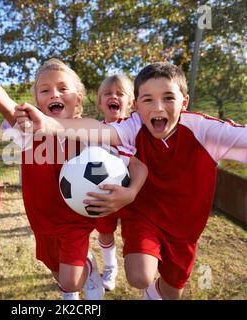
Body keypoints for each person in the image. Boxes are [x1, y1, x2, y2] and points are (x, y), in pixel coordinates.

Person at [0, 9, 148, 300]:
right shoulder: (28, 130)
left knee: (69, 282)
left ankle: (85, 274)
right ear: (37, 99)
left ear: (78, 98)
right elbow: (1, 98)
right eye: (45, 90)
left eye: (62, 88)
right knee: (55, 269)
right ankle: (84, 271)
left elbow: (137, 165)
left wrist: (129, 194)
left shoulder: (92, 134)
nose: (53, 94)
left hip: (75, 222)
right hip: (41, 221)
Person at [14, 62, 247, 299]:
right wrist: (48, 124)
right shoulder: (132, 126)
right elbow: (98, 130)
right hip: (141, 214)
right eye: (148, 99)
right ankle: (109, 267)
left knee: (172, 293)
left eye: (168, 98)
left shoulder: (203, 129)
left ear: (184, 102)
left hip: (185, 228)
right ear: (137, 106)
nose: (157, 107)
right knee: (139, 276)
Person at [94, 74, 134, 291]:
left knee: (133, 236)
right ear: (100, 102)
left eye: (120, 93)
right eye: (107, 94)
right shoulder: (92, 130)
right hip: (105, 193)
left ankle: (137, 267)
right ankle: (110, 266)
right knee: (105, 232)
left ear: (131, 102)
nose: (113, 96)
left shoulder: (135, 127)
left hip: (133, 195)